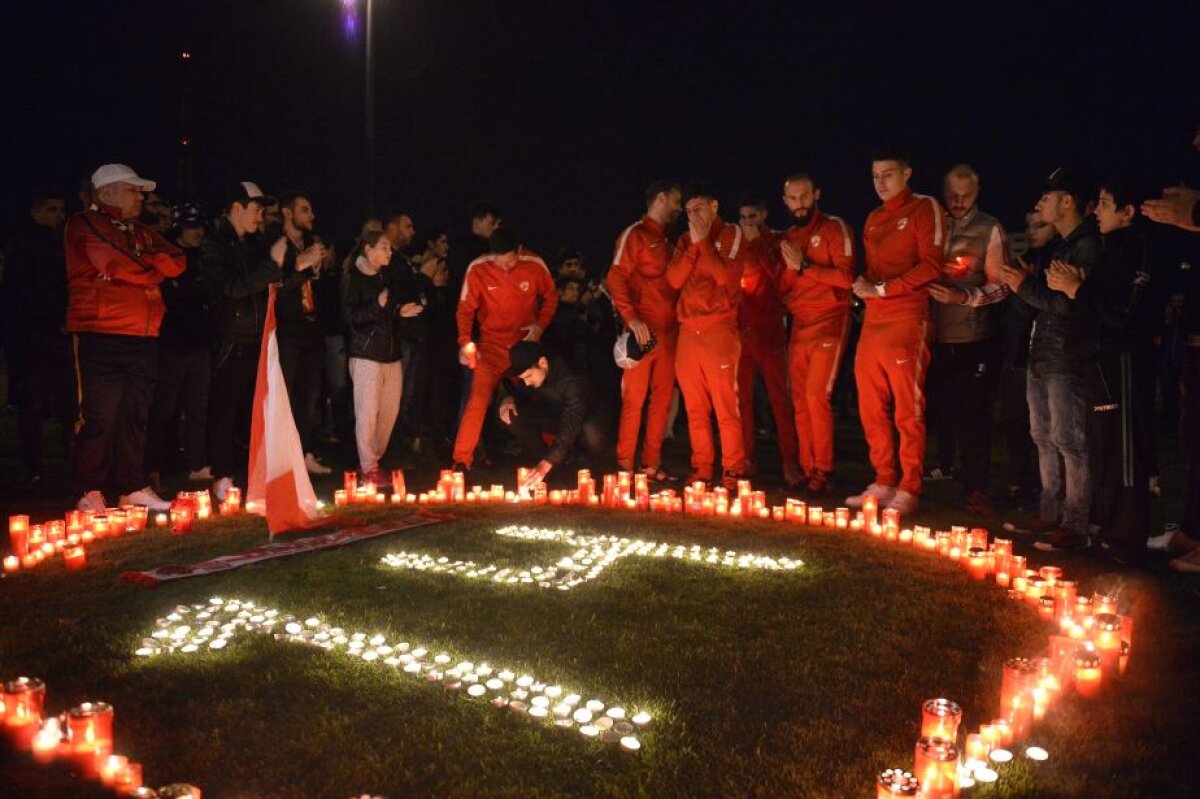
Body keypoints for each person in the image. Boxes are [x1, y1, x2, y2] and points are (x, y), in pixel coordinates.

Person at [1043, 175, 1162, 563]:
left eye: (1106, 204)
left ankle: (1125, 541)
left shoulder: (1137, 248)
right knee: (1103, 450)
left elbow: (1123, 312)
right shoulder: (1113, 249)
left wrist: (1077, 289)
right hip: (1098, 362)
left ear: (1128, 212)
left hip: (1123, 363)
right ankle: (1110, 532)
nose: (1096, 211)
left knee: (1123, 452)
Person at [65, 164, 185, 512]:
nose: (140, 196)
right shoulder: (83, 223)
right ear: (106, 193)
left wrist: (144, 264)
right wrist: (151, 268)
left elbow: (177, 260)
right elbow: (117, 263)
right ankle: (89, 489)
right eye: (132, 190)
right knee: (99, 416)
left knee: (136, 413)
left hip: (144, 335)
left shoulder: (142, 231)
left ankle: (131, 485)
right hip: (101, 332)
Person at [999, 168, 1101, 547]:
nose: (1039, 204)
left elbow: (1067, 304)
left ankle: (1076, 524)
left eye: (1047, 197)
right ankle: (1049, 512)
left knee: (1069, 440)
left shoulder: (1087, 246)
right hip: (1040, 355)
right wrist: (1025, 284)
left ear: (1067, 201)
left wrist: (1023, 285)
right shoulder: (1059, 246)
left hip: (1066, 357)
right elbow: (1047, 300)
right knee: (1042, 436)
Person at [847, 149, 946, 515]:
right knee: (870, 404)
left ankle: (910, 485)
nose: (881, 183)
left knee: (908, 407)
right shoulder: (872, 218)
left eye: (888, 174)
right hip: (874, 320)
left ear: (907, 173)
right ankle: (884, 479)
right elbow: (873, 268)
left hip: (907, 317)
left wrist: (884, 289)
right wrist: (864, 286)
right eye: (875, 176)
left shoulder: (924, 208)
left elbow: (931, 265)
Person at [924, 164, 1011, 514]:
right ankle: (930, 472)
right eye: (952, 195)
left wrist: (965, 297)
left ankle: (977, 486)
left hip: (972, 337)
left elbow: (1002, 284)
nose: (958, 202)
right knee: (936, 414)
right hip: (929, 336)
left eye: (966, 195)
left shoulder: (989, 228)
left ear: (978, 193)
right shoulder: (930, 224)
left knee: (973, 416)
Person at [201, 181, 287, 502]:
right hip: (230, 341)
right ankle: (222, 476)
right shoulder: (214, 244)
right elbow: (231, 288)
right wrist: (272, 266)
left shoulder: (252, 245)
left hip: (256, 339)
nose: (260, 216)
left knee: (250, 413)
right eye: (255, 209)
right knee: (225, 410)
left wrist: (297, 268)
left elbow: (269, 282)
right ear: (236, 208)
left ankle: (250, 473)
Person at [775, 173, 856, 498]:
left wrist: (805, 266)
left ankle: (823, 470)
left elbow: (847, 277)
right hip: (800, 323)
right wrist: (788, 272)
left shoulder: (834, 228)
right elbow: (783, 286)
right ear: (785, 202)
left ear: (816, 194)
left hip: (830, 320)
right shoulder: (789, 237)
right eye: (793, 198)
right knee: (799, 398)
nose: (799, 204)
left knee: (815, 396)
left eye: (804, 196)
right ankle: (808, 471)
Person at [452, 228, 557, 474]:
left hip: (525, 347)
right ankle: (461, 461)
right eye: (499, 261)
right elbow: (465, 309)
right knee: (477, 399)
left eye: (509, 260)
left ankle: (553, 456)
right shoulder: (478, 268)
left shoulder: (535, 264)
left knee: (543, 395)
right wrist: (465, 342)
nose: (504, 266)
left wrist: (540, 327)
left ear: (519, 251)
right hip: (491, 348)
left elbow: (551, 297)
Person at [667, 182, 746, 490]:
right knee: (695, 407)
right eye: (688, 211)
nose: (692, 216)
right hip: (689, 333)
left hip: (719, 330)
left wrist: (703, 245)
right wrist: (694, 246)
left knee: (726, 404)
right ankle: (702, 467)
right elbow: (673, 279)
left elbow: (726, 276)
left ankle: (733, 469)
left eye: (698, 209)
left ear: (714, 207)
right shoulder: (685, 239)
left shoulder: (730, 233)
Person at [606, 181, 682, 481]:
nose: (679, 208)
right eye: (676, 201)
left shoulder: (668, 240)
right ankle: (624, 464)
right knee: (634, 400)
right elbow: (615, 277)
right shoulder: (635, 234)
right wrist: (632, 319)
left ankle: (651, 464)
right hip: (642, 335)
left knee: (662, 400)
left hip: (670, 334)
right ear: (660, 198)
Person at [1, 192, 73, 484]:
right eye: (52, 210)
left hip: (56, 335)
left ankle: (67, 460)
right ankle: (34, 466)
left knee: (67, 402)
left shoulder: (59, 244)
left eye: (61, 210)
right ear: (35, 212)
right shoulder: (25, 246)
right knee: (33, 403)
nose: (58, 216)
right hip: (33, 339)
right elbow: (21, 295)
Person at [342, 229, 422, 484]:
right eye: (384, 247)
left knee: (389, 411)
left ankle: (372, 460)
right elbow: (351, 317)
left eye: (390, 247)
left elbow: (388, 313)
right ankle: (369, 465)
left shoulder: (387, 276)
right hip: (366, 353)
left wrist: (400, 311)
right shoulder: (353, 277)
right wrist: (377, 305)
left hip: (391, 353)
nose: (390, 251)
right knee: (367, 411)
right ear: (368, 249)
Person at [145, 202, 212, 488]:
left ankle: (196, 463)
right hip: (172, 345)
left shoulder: (205, 257)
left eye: (199, 226)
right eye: (191, 227)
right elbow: (173, 300)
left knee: (198, 408)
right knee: (164, 410)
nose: (197, 232)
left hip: (199, 345)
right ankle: (155, 466)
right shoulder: (169, 257)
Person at [736, 195, 801, 485]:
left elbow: (780, 281)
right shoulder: (735, 244)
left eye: (752, 216)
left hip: (770, 331)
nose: (747, 223)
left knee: (780, 400)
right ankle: (746, 457)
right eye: (743, 218)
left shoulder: (776, 241)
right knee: (743, 400)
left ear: (763, 215)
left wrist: (758, 244)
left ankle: (790, 460)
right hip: (742, 332)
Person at [997, 213, 1055, 504]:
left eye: (1040, 225)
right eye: (1029, 226)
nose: (1032, 232)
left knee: (1044, 429)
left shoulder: (1053, 262)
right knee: (1014, 421)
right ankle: (1021, 481)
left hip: (1042, 356)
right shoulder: (1023, 261)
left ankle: (1045, 489)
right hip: (1015, 353)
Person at [273, 192, 332, 475]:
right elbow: (277, 288)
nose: (312, 215)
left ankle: (305, 451)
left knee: (309, 395)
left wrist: (319, 268)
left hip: (311, 327)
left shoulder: (311, 243)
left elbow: (320, 287)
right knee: (286, 392)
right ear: (287, 213)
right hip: (287, 328)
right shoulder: (277, 244)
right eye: (305, 210)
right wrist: (302, 267)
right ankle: (283, 456)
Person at [501, 341, 610, 488]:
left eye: (528, 376)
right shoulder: (538, 372)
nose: (526, 383)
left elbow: (571, 423)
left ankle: (596, 472)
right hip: (557, 413)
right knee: (512, 414)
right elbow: (522, 392)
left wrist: (548, 463)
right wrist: (509, 399)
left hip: (586, 418)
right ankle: (539, 466)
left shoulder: (571, 379)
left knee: (592, 431)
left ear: (543, 362)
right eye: (523, 379)